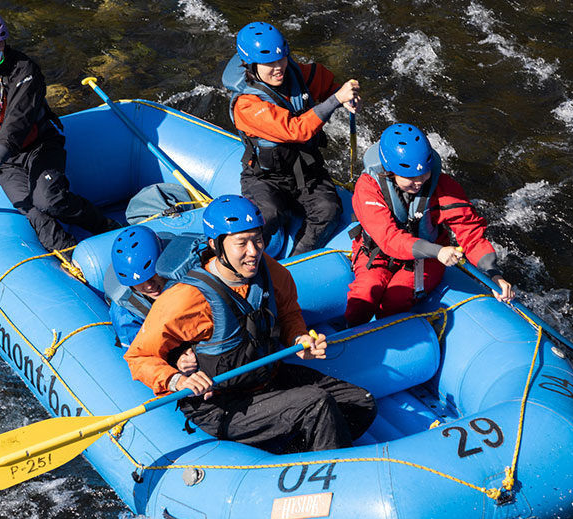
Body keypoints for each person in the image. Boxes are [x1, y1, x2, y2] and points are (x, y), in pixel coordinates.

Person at [125, 195, 376, 454]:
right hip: (222, 403)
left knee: (362, 402)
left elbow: (289, 312)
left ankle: (295, 451)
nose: (253, 251)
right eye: (241, 243)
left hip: (267, 379)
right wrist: (177, 380)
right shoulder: (185, 299)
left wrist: (298, 339)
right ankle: (330, 470)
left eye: (257, 239)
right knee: (316, 404)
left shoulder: (271, 271)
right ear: (216, 245)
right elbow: (139, 356)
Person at [0, 7, 113, 254]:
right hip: (6, 164)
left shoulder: (24, 70)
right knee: (34, 212)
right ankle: (72, 257)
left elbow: (16, 124)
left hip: (39, 146)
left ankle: (106, 227)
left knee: (50, 201)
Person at [344, 123, 515, 327]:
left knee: (394, 301)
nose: (419, 182)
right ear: (390, 171)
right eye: (410, 177)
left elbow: (470, 233)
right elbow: (388, 238)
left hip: (425, 258)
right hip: (379, 251)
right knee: (364, 296)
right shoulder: (368, 187)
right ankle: (349, 335)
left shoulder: (442, 186)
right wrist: (438, 251)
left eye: (423, 174)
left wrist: (493, 274)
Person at [222, 21, 359, 256]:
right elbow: (295, 130)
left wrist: (345, 94)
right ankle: (244, 264)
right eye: (269, 63)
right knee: (268, 215)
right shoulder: (247, 105)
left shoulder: (298, 75)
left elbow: (327, 85)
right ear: (251, 65)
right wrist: (335, 100)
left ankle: (294, 264)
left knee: (328, 211)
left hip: (306, 172)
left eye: (281, 59)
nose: (278, 68)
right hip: (265, 177)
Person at [107, 225, 198, 374]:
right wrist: (176, 360)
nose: (149, 286)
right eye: (140, 282)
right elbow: (141, 358)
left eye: (152, 275)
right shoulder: (125, 312)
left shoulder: (188, 265)